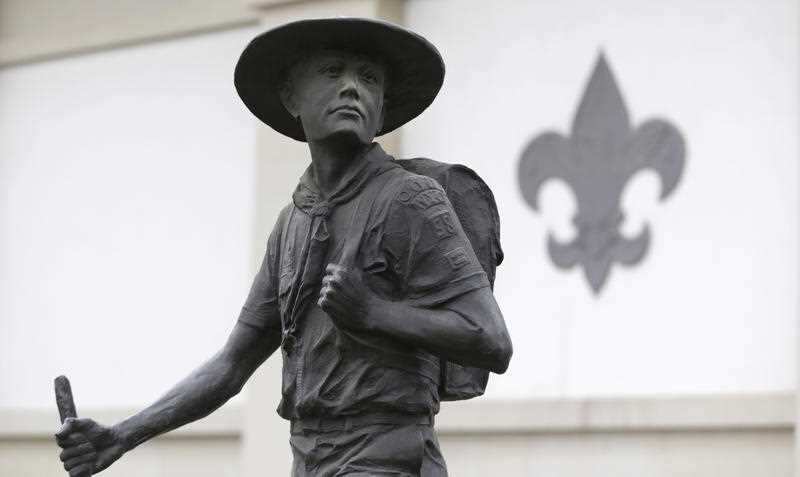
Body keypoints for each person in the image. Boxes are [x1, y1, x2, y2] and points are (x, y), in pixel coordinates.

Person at [55, 17, 512, 477]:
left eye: (369, 78)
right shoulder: (293, 222)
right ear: (292, 97)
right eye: (333, 72)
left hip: (387, 459)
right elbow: (232, 365)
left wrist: (374, 313)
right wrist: (122, 435)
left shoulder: (410, 200)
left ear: (383, 106)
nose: (352, 88)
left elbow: (491, 340)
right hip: (309, 460)